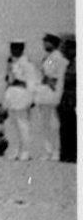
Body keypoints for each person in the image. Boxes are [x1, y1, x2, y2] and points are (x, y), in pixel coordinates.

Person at [3, 40, 41, 161]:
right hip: (12, 96)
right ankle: (15, 150)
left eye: (15, 49)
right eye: (12, 48)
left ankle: (25, 152)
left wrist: (32, 98)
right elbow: (8, 80)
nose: (13, 51)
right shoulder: (12, 63)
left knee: (23, 125)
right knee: (13, 124)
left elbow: (33, 81)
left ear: (21, 50)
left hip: (22, 95)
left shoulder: (27, 63)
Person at [35, 32, 68, 160]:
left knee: (53, 124)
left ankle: (55, 151)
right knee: (45, 124)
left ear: (53, 43)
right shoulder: (48, 57)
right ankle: (47, 150)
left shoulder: (58, 58)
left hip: (52, 93)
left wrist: (56, 93)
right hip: (44, 93)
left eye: (47, 41)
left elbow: (58, 78)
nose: (44, 44)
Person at [60, 34, 77, 163]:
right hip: (64, 100)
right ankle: (66, 153)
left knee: (71, 127)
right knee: (65, 127)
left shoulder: (74, 64)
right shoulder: (65, 64)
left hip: (72, 99)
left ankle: (71, 153)